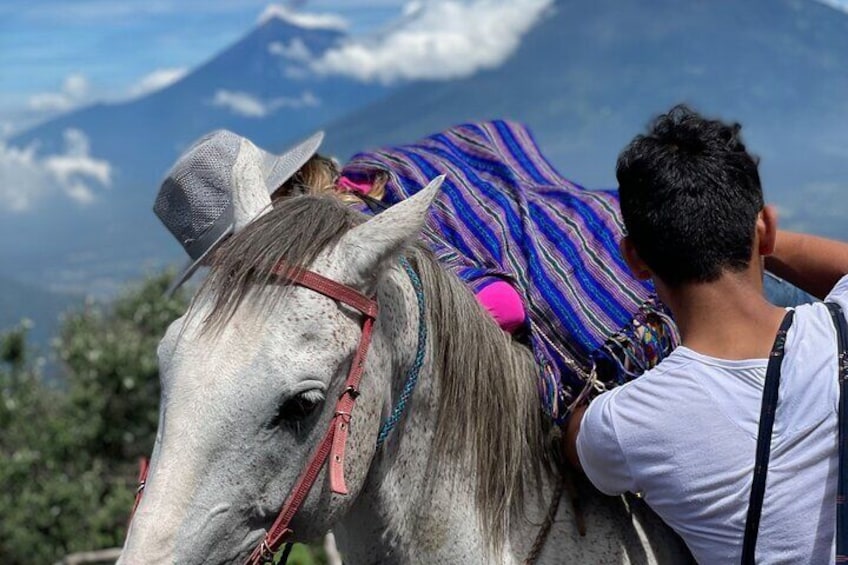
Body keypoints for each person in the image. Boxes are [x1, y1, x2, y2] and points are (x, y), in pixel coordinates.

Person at [156, 121, 815, 426]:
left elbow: (500, 304)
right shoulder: (370, 173)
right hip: (692, 247)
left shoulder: (363, 227)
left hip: (643, 291)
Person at [565, 105, 848, 562]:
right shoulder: (840, 327)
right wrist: (751, 234)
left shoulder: (624, 424)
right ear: (768, 230)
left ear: (634, 258)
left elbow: (574, 438)